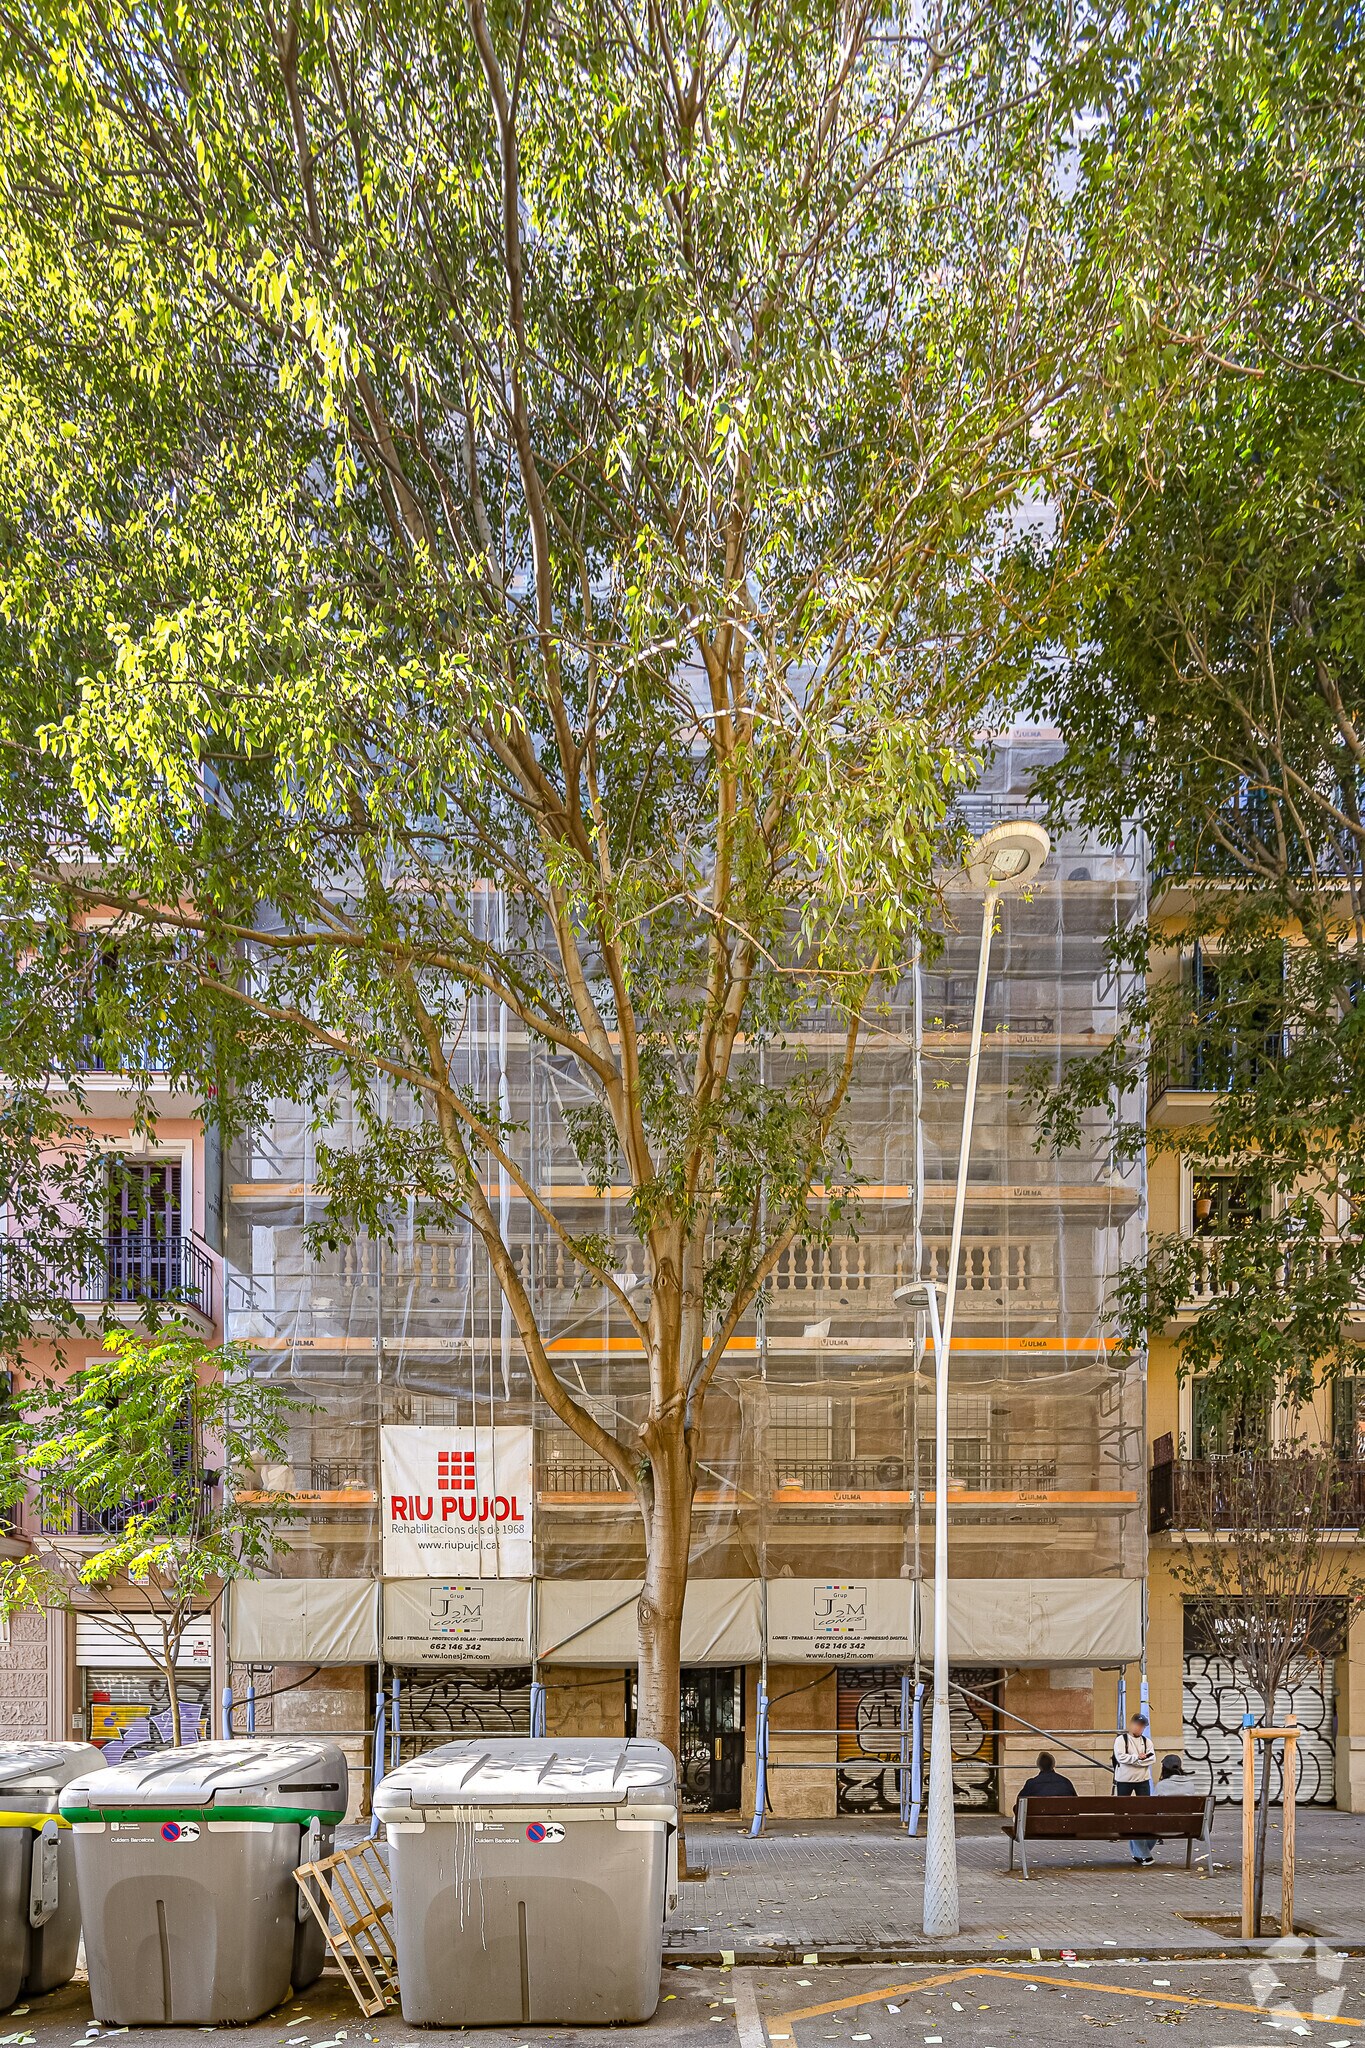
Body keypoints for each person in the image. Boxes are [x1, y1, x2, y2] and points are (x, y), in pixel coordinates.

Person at [1113, 1709, 1157, 1864]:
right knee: (1122, 1809)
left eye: (1142, 1726)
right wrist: (1137, 1758)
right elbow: (1121, 1757)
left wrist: (1135, 1760)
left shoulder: (1147, 1741)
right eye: (1138, 1725)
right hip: (1124, 1779)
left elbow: (1151, 1759)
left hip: (1142, 1780)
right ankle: (1142, 1853)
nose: (1140, 1728)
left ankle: (1140, 1852)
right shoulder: (1121, 1740)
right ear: (1131, 1725)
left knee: (1143, 1814)